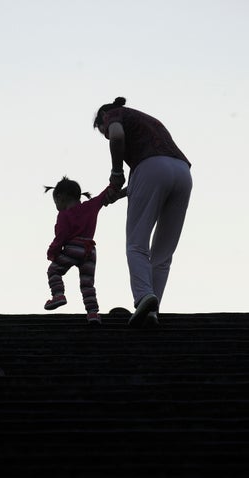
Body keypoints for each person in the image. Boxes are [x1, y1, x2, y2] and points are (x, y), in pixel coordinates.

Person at [93, 97, 192, 328]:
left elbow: (117, 136)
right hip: (182, 173)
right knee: (164, 253)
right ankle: (151, 312)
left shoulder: (112, 114)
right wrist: (122, 193)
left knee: (137, 244)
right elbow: (160, 171)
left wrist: (117, 173)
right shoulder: (148, 120)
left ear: (101, 120)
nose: (105, 135)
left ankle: (143, 297)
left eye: (102, 132)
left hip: (148, 168)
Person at [44, 176, 111, 325]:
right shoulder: (91, 205)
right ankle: (93, 313)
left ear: (60, 197)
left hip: (74, 246)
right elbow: (104, 196)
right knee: (87, 283)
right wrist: (116, 186)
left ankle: (58, 295)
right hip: (90, 250)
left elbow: (61, 236)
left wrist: (52, 252)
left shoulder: (64, 215)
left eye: (55, 202)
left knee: (53, 271)